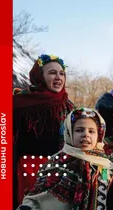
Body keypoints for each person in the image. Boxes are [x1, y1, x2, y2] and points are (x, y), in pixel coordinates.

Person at [17, 108, 113, 210]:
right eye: (79, 130)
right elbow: (37, 196)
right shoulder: (57, 162)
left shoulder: (106, 165)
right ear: (69, 133)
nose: (85, 134)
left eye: (91, 131)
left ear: (99, 136)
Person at [13, 54, 74, 208]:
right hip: (27, 173)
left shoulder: (69, 108)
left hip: (61, 174)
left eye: (61, 73)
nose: (58, 77)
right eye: (52, 73)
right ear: (39, 76)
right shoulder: (19, 103)